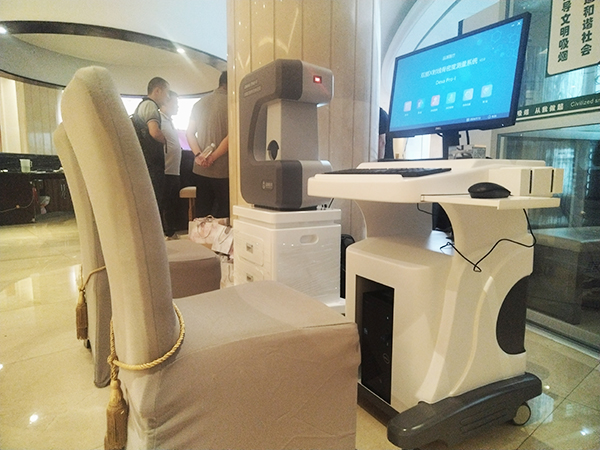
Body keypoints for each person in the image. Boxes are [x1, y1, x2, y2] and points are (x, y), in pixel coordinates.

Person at [186, 71, 229, 218]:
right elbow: (232, 137)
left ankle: (200, 235)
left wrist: (199, 155)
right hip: (223, 169)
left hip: (201, 169)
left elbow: (189, 133)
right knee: (223, 216)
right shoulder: (232, 104)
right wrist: (213, 157)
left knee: (202, 214)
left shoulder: (199, 104)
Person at [132, 77, 170, 228]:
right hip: (152, 164)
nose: (167, 97)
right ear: (158, 90)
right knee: (155, 200)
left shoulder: (142, 106)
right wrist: (165, 140)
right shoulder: (150, 106)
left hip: (145, 162)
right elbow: (154, 132)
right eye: (167, 92)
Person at [159, 90, 183, 238]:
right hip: (165, 170)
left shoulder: (169, 121)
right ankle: (167, 234)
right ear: (166, 102)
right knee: (166, 203)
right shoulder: (159, 120)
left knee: (172, 203)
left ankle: (171, 232)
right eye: (175, 103)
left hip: (174, 170)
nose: (178, 106)